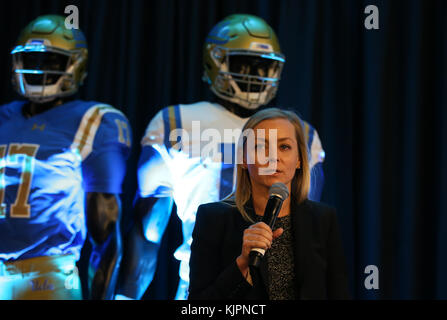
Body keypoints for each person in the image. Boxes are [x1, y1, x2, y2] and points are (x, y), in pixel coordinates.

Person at [116, 14, 325, 300]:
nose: (254, 74)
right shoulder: (176, 123)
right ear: (216, 62)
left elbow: (305, 235)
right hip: (203, 285)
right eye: (244, 64)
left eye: (263, 66)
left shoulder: (301, 133)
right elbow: (147, 233)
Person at [0, 15, 131, 299]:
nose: (39, 71)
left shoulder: (93, 120)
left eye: (52, 62)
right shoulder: (4, 116)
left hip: (45, 275)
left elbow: (106, 235)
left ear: (75, 65)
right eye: (32, 61)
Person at [189, 108, 350, 300]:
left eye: (284, 147)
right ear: (243, 160)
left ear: (299, 160)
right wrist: (241, 264)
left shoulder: (323, 220)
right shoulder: (213, 218)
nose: (273, 157)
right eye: (260, 147)